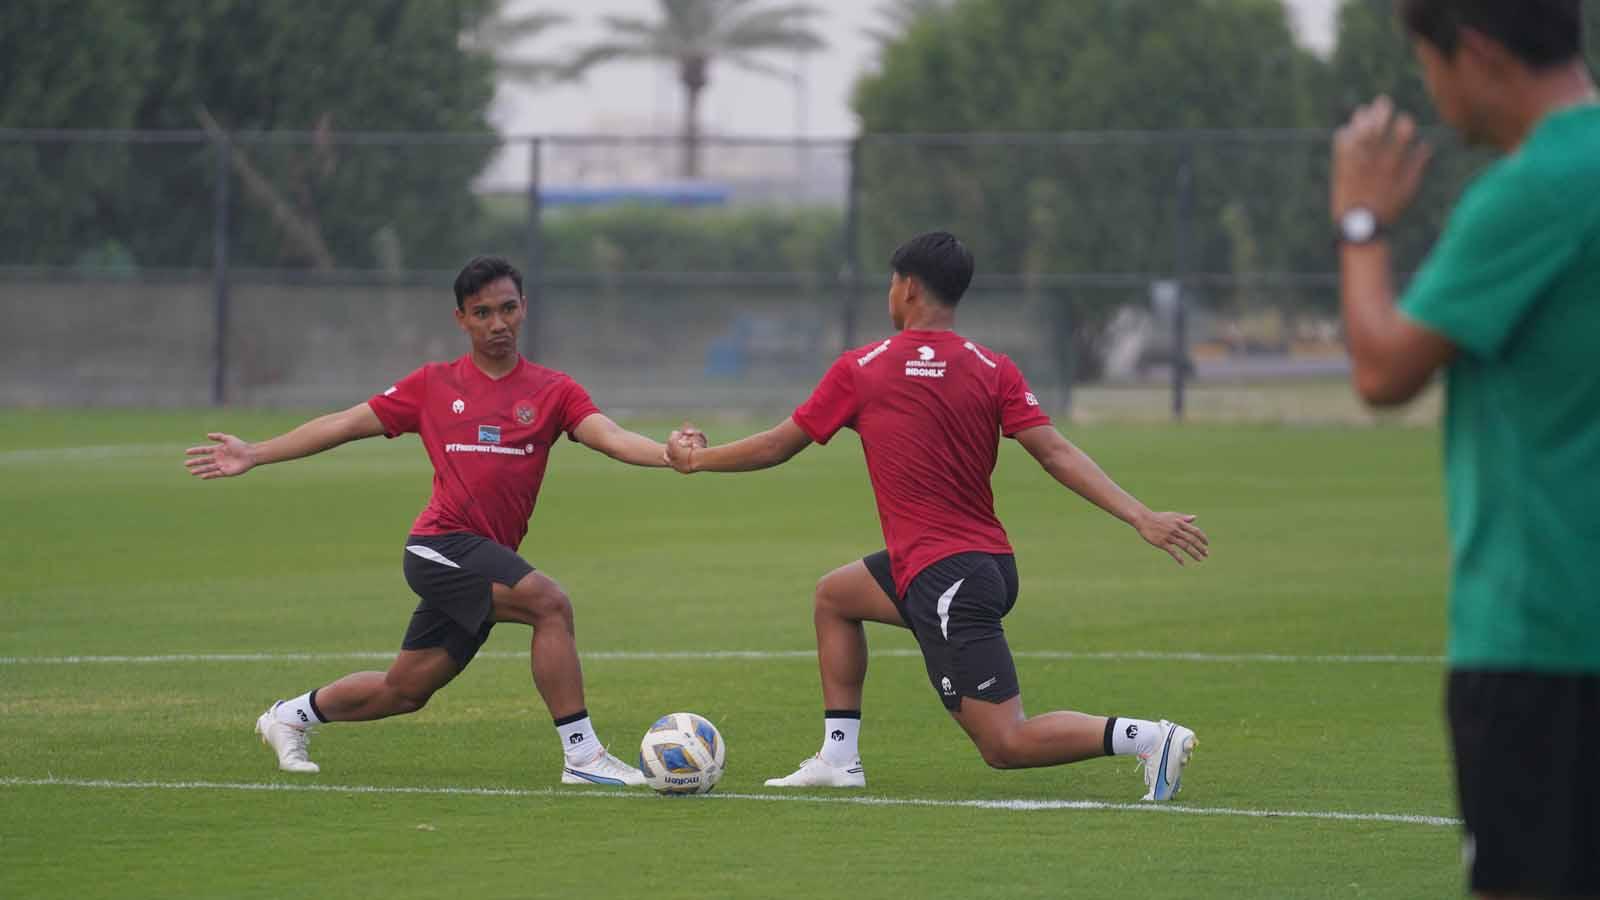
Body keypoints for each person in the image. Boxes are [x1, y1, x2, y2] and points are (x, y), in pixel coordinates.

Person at [664, 232, 1208, 801]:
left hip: (945, 578)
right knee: (835, 598)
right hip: (982, 564)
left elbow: (778, 446)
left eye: (891, 282)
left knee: (1005, 744)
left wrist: (696, 460)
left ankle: (1150, 739)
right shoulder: (992, 367)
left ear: (909, 288)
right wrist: (1139, 515)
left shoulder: (863, 368)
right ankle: (838, 758)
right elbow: (1056, 452)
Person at [185, 255, 695, 786]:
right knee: (550, 604)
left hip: (483, 557)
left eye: (507, 309)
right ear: (462, 320)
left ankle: (288, 716)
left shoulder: (553, 391)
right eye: (482, 313)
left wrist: (666, 452)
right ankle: (583, 757)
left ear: (524, 309)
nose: (497, 323)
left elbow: (609, 436)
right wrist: (255, 453)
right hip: (440, 545)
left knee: (404, 690)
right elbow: (343, 423)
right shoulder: (432, 385)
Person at [1330, 1, 1600, 895]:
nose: (1431, 91)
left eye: (1428, 64)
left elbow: (1384, 369)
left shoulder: (1536, 188)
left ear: (1476, 52)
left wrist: (1362, 223)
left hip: (1544, 640)